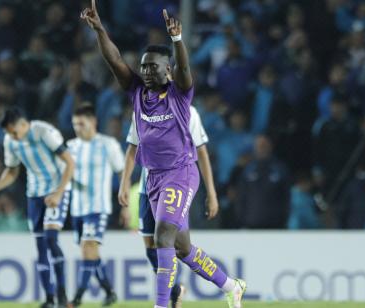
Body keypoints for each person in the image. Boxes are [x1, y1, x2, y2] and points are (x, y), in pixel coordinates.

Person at [81, 1, 246, 307]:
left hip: (181, 173)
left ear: (167, 70)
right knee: (182, 248)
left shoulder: (179, 95)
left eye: (152, 66)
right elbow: (114, 59)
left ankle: (161, 305)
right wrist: (100, 30)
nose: (145, 71)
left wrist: (178, 41)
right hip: (154, 178)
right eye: (143, 66)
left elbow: (185, 68)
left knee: (163, 236)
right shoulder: (137, 93)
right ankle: (231, 285)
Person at [119, 105, 217, 308]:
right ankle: (176, 291)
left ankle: (162, 303)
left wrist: (211, 192)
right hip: (148, 188)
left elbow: (202, 151)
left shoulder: (187, 111)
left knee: (172, 244)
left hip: (175, 184)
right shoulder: (141, 111)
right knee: (151, 248)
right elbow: (132, 147)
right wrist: (125, 183)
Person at [0, 107, 74, 308]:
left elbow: (69, 161)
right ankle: (49, 299)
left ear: (24, 124)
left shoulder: (44, 132)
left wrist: (59, 192)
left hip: (57, 190)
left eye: (14, 132)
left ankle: (62, 295)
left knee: (51, 238)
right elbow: (13, 171)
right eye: (8, 133)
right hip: (34, 194)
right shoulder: (10, 141)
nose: (12, 137)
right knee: (40, 246)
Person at [67, 104, 125, 307]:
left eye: (81, 123)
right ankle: (109, 292)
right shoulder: (71, 146)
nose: (77, 128)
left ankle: (77, 298)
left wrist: (125, 205)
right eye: (75, 124)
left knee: (88, 248)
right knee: (90, 253)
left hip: (98, 207)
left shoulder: (107, 144)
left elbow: (122, 171)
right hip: (77, 209)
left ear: (93, 122)